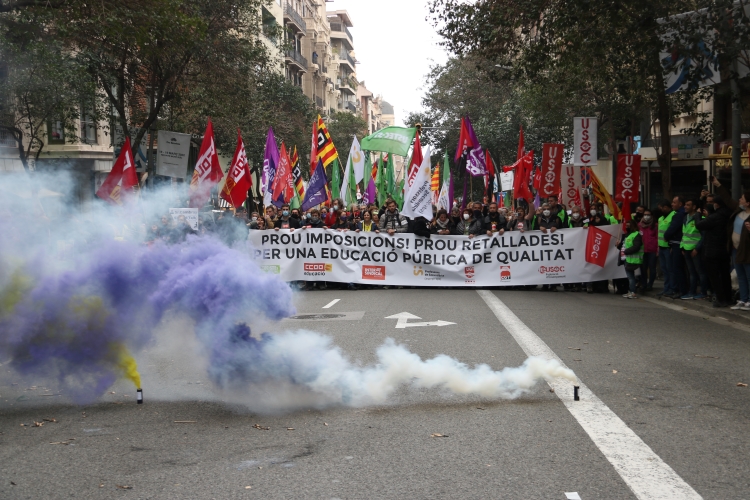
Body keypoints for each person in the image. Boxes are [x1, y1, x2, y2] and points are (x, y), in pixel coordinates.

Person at [696, 195, 732, 308]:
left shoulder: (715, 217)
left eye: (712, 203)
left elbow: (699, 225)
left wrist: (698, 215)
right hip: (724, 250)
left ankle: (721, 299)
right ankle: (728, 298)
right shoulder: (728, 215)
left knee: (714, 277)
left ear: (717, 204)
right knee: (725, 275)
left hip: (712, 250)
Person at [680, 199, 707, 299]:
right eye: (685, 204)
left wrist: (697, 248)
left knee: (700, 271)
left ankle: (703, 292)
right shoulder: (685, 217)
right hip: (686, 248)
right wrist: (682, 246)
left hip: (695, 249)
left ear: (694, 207)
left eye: (688, 205)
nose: (685, 206)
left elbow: (703, 236)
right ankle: (692, 292)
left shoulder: (700, 218)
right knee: (692, 272)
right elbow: (684, 233)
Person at [729, 191, 750, 310]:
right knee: (740, 275)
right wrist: (717, 185)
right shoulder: (739, 212)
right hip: (735, 249)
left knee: (748, 276)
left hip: (747, 251)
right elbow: (728, 200)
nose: (739, 200)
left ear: (748, 203)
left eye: (742, 199)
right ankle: (743, 299)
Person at [663, 196, 687, 298]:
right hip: (678, 243)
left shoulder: (679, 215)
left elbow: (673, 227)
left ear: (680, 204)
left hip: (678, 244)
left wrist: (666, 236)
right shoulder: (681, 214)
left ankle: (681, 290)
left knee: (677, 268)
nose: (672, 204)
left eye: (674, 202)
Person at [617, 220, 643, 299]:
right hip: (627, 258)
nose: (627, 227)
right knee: (630, 277)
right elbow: (623, 246)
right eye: (626, 226)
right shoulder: (627, 235)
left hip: (633, 259)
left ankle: (633, 292)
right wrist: (618, 245)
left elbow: (636, 247)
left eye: (629, 226)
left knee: (631, 277)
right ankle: (631, 291)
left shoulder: (637, 235)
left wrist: (626, 251)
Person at [656, 200, 674, 296]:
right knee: (664, 269)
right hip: (661, 247)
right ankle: (666, 288)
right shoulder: (660, 218)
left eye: (662, 207)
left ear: (667, 207)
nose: (661, 209)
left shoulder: (673, 215)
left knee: (670, 269)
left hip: (668, 247)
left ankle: (672, 288)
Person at [638, 209, 659, 292]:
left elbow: (657, 237)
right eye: (645, 214)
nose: (646, 216)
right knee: (643, 268)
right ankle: (644, 284)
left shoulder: (655, 225)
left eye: (648, 214)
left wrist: (657, 249)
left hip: (652, 250)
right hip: (642, 250)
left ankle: (650, 284)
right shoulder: (639, 225)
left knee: (652, 268)